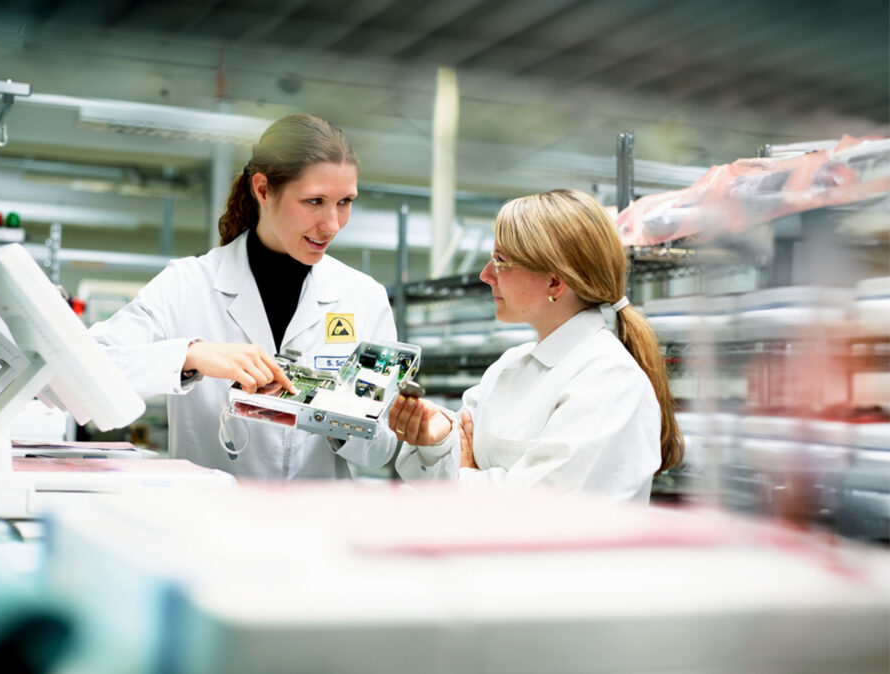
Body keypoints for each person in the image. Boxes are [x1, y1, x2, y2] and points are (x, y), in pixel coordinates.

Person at [90, 114, 398, 479]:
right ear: (263, 190)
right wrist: (191, 356)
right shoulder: (188, 284)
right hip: (213, 526)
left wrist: (337, 419)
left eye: (345, 201)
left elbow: (381, 450)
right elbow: (91, 365)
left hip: (317, 528)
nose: (332, 224)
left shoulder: (363, 298)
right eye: (315, 201)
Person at [390, 188, 683, 502]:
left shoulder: (611, 380)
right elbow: (451, 471)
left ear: (554, 283)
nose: (486, 274)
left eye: (501, 261)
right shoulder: (509, 366)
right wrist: (438, 442)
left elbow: (539, 512)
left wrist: (463, 473)